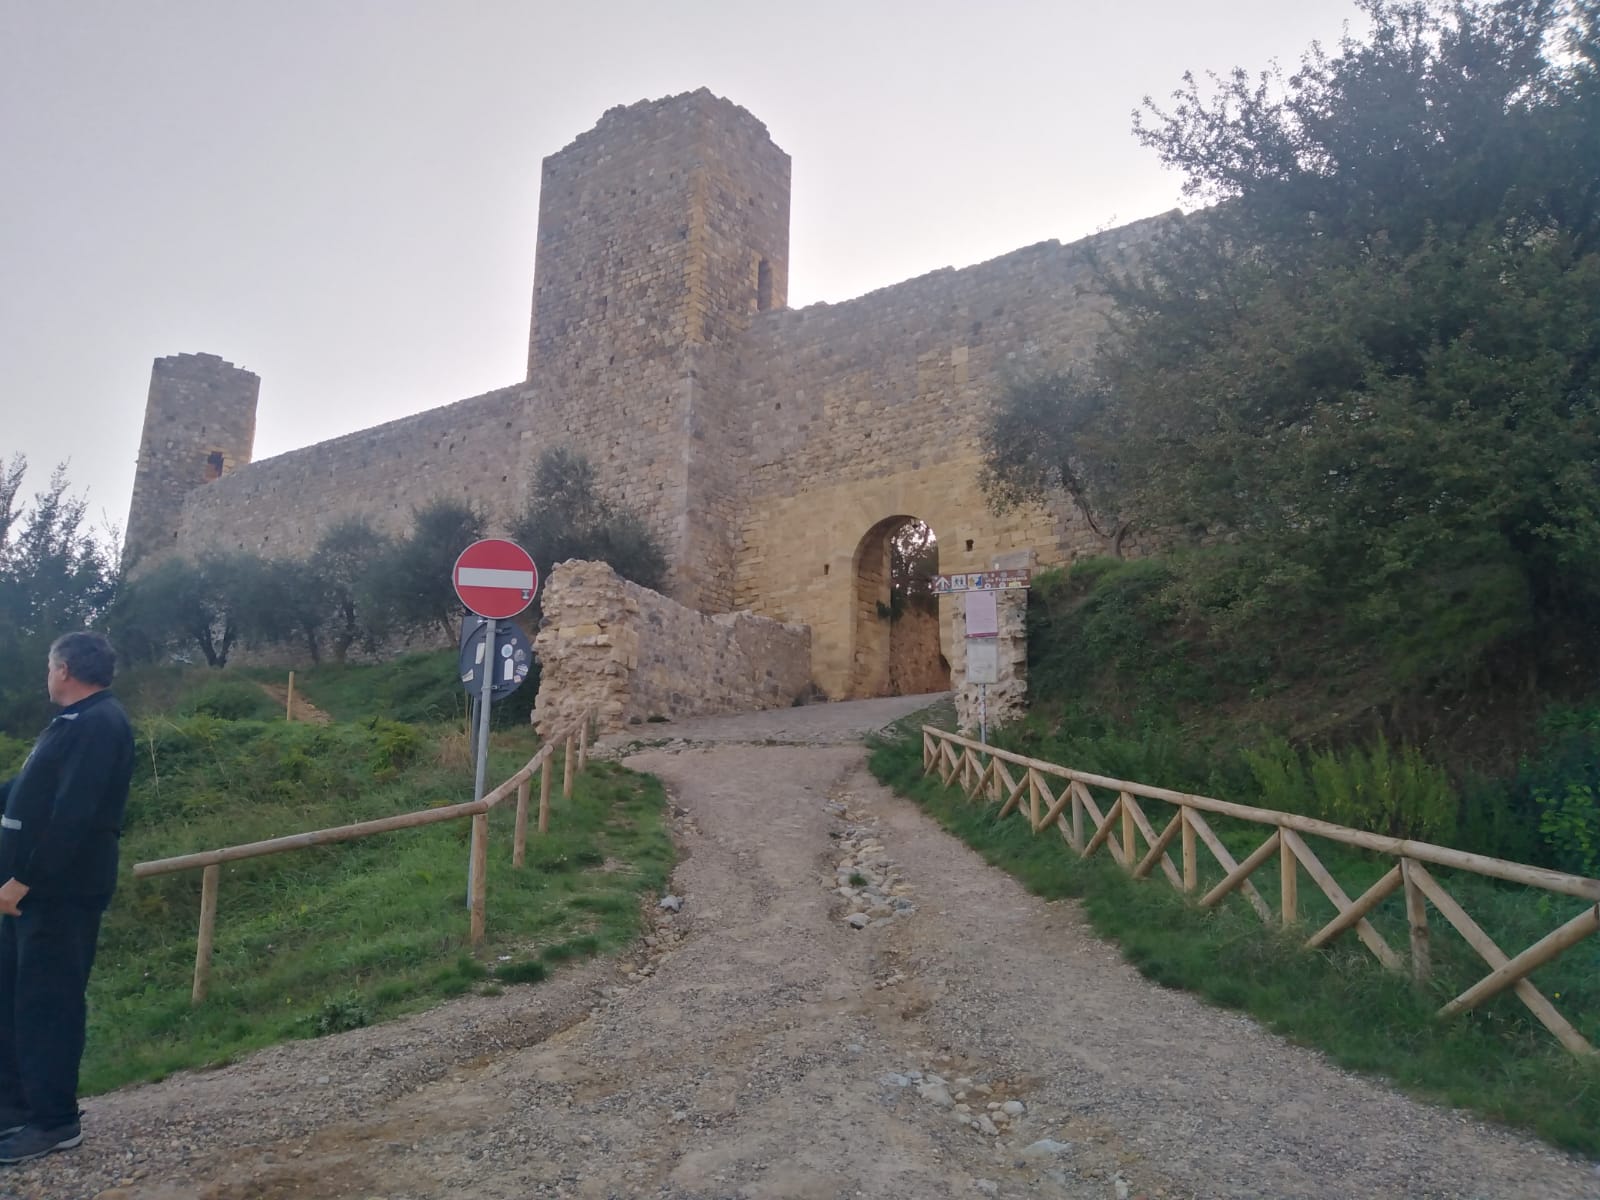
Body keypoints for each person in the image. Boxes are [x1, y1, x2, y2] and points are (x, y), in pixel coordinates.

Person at [0, 632, 133, 1164]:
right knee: (14, 1001)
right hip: (31, 898)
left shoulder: (100, 723)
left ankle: (55, 1121)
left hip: (59, 894)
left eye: (50, 667)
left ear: (64, 670)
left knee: (47, 1005)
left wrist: (23, 879)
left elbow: (74, 813)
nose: (47, 675)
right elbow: (30, 791)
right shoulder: (74, 722)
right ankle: (15, 1111)